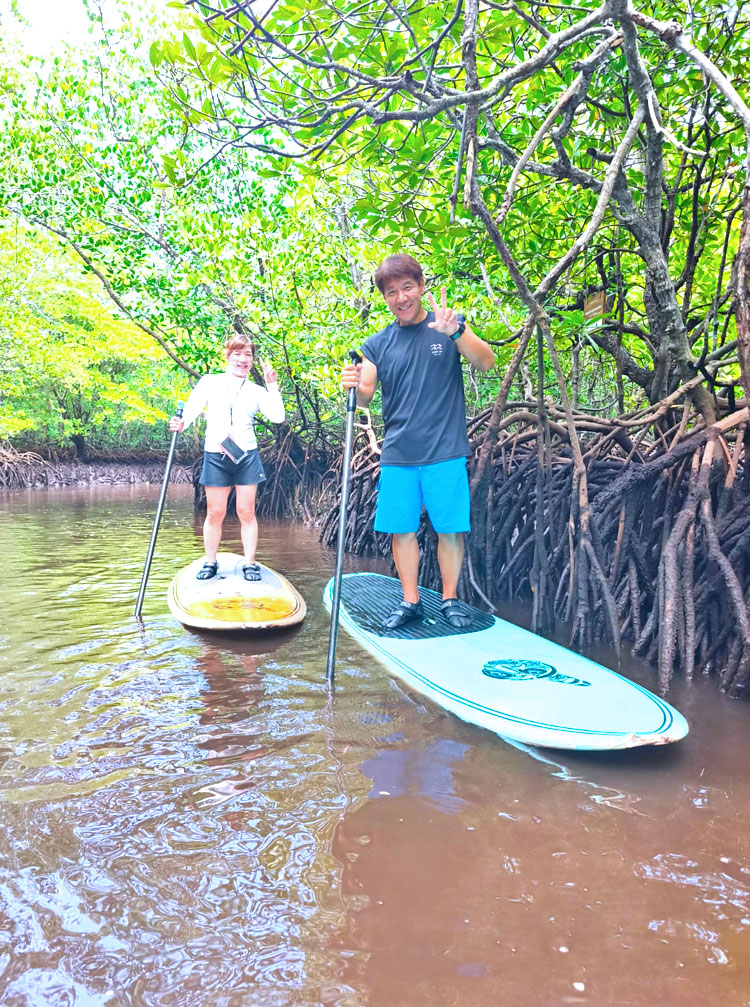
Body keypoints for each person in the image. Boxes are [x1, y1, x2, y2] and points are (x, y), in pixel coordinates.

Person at [341, 253, 495, 631]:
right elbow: (365, 396)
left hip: (445, 450)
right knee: (402, 530)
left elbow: (487, 363)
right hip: (399, 455)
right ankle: (410, 600)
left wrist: (457, 333)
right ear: (385, 298)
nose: (401, 297)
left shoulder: (447, 326)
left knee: (449, 529)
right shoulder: (377, 343)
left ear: (421, 287)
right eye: (391, 292)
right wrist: (352, 383)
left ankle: (450, 598)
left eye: (407, 287)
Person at [169, 333, 284, 581]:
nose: (243, 359)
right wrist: (181, 423)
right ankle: (211, 561)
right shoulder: (210, 382)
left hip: (246, 456)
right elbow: (191, 409)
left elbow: (277, 417)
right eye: (237, 353)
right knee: (214, 512)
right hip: (215, 454)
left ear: (252, 359)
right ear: (228, 355)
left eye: (248, 355)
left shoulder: (256, 390)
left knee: (246, 511)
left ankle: (250, 563)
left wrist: (271, 384)